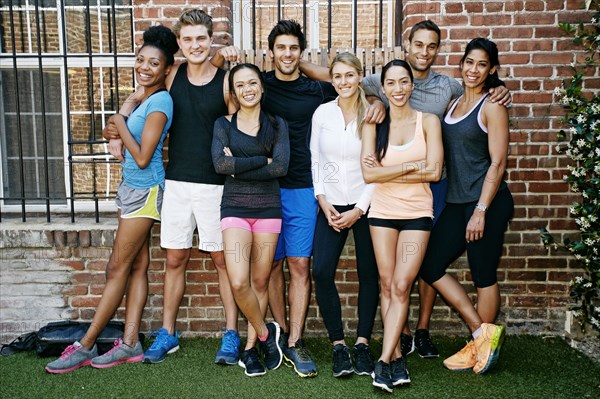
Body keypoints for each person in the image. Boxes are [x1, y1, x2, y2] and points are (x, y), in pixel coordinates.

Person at [300, 19, 510, 359]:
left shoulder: (451, 90)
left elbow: (468, 155)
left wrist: (498, 89)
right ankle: (405, 335)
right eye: (418, 44)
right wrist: (293, 61)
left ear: (438, 51)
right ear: (406, 45)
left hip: (442, 190)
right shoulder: (377, 84)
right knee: (408, 271)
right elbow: (338, 76)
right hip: (420, 194)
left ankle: (433, 332)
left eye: (431, 46)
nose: (424, 51)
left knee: (456, 267)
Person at [103, 9, 241, 365]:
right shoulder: (174, 74)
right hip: (176, 182)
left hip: (214, 186)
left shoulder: (226, 81)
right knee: (175, 258)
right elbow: (139, 97)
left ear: (211, 39)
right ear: (179, 44)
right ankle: (168, 333)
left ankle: (230, 334)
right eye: (188, 39)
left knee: (221, 261)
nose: (195, 45)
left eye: (201, 38)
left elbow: (239, 127)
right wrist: (116, 125)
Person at [45, 25, 178, 374]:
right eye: (141, 60)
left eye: (154, 63)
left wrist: (119, 121)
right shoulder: (143, 97)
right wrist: (116, 121)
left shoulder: (161, 101)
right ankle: (130, 342)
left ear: (166, 69)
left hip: (146, 191)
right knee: (135, 265)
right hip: (130, 188)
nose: (145, 67)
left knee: (115, 267)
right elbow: (115, 130)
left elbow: (146, 155)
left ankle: (85, 344)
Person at [419, 38, 513, 375]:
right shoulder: (454, 104)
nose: (474, 70)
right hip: (458, 201)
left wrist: (481, 211)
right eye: (469, 63)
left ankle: (480, 351)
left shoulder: (492, 106)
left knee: (483, 275)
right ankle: (481, 334)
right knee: (429, 265)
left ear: (492, 69)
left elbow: (498, 163)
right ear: (461, 64)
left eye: (482, 65)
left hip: (486, 203)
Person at [361, 59, 443, 392]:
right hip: (381, 211)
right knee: (385, 282)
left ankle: (381, 361)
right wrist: (415, 165)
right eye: (391, 83)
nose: (398, 89)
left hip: (416, 213)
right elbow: (369, 175)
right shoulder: (373, 124)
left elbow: (435, 171)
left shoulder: (429, 122)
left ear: (412, 85)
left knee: (401, 284)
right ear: (383, 88)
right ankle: (395, 356)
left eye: (404, 82)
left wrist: (390, 171)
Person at [212, 63, 289, 377]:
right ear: (234, 91)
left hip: (268, 209)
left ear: (262, 86)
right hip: (234, 208)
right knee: (239, 281)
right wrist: (261, 160)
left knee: (260, 281)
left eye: (253, 83)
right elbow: (219, 164)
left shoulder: (277, 123)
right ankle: (265, 333)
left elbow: (281, 167)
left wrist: (238, 164)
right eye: (240, 84)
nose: (247, 89)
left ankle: (248, 350)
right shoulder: (223, 124)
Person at [309, 52, 379, 378]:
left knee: (369, 273)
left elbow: (377, 168)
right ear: (331, 79)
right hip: (331, 205)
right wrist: (322, 201)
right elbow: (316, 161)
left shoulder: (373, 114)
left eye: (349, 75)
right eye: (337, 76)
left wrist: (359, 210)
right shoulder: (322, 113)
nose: (343, 82)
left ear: (360, 76)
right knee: (321, 270)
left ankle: (363, 344)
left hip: (365, 206)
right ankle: (339, 345)